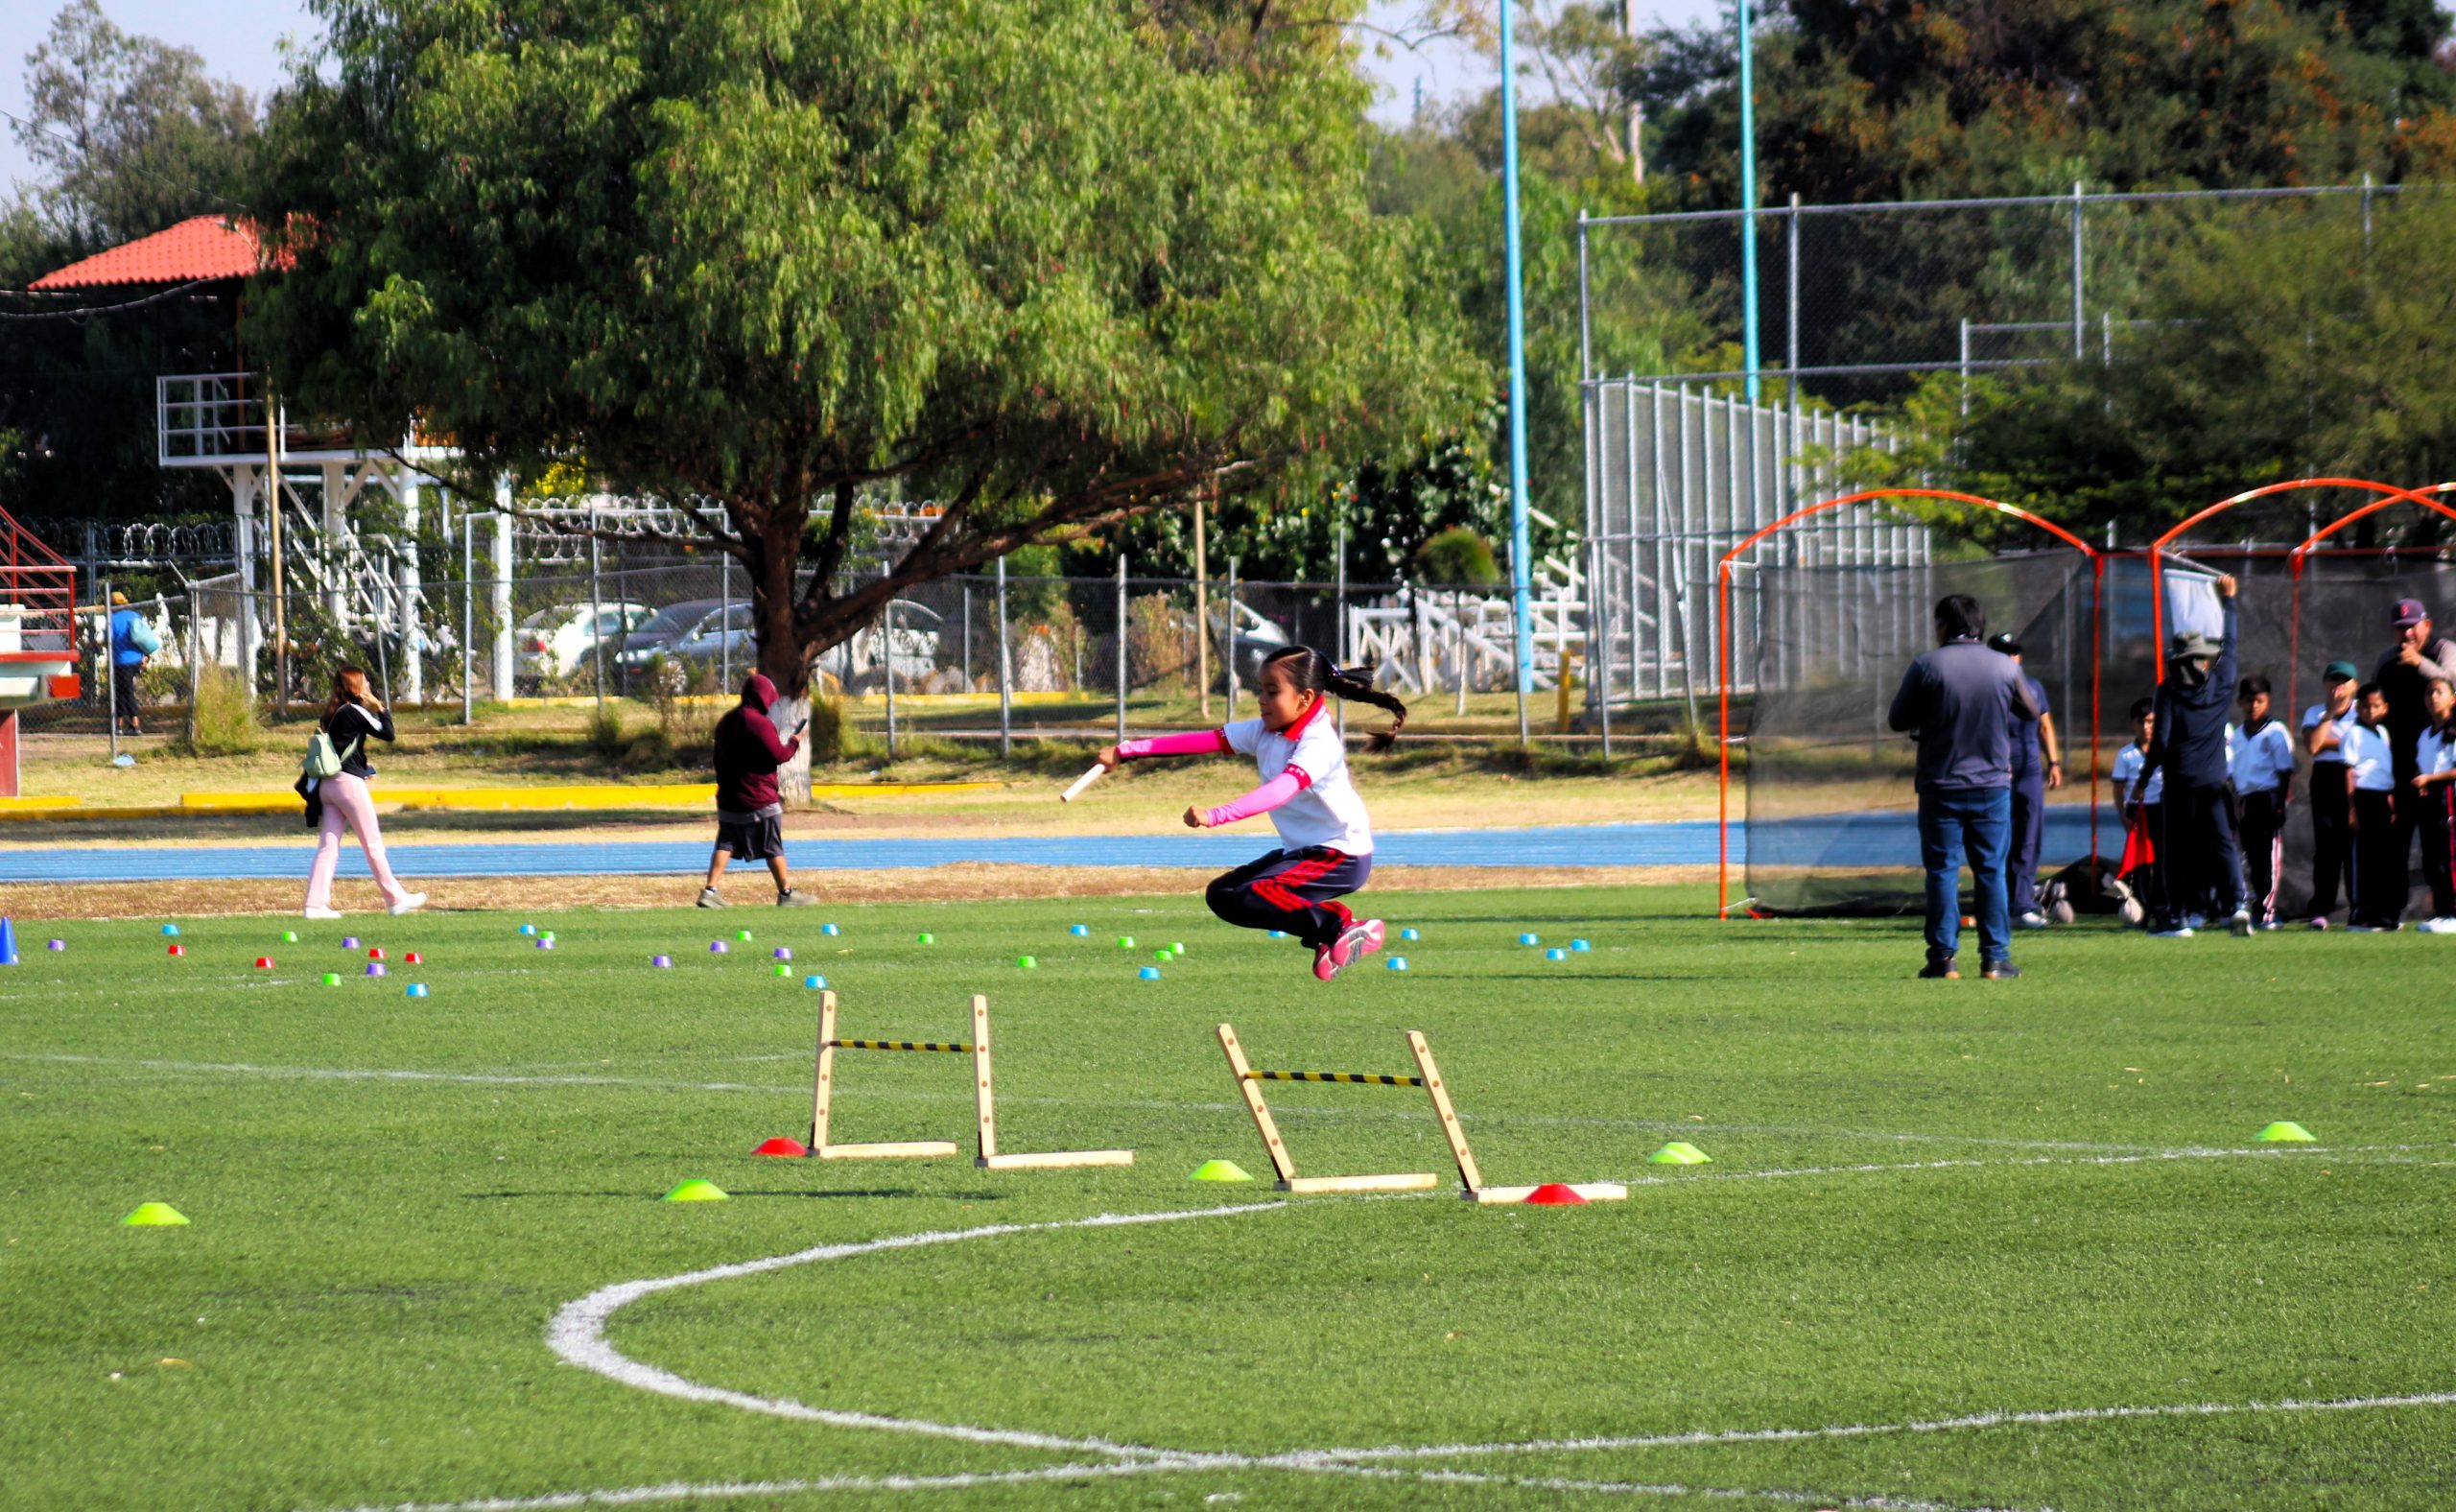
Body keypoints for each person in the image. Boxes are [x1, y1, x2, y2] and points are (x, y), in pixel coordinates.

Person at [1096, 646, 1405, 981]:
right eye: (1261, 690)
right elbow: (1204, 741)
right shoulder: (1266, 730)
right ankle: (1330, 931)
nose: (1261, 699)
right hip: (1303, 852)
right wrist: (1126, 751)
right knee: (1223, 895)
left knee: (1253, 895)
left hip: (1340, 855)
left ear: (1305, 698)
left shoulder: (1318, 743)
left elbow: (1279, 791)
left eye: (1273, 692)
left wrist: (1216, 815)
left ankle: (1340, 926)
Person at [1885, 595, 2039, 980]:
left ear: (1943, 625)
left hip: (1941, 784)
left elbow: (1897, 718)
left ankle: (1943, 959)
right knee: (1990, 870)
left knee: (1941, 871)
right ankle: (1995, 958)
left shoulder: (1927, 664)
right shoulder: (2003, 665)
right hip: (1991, 785)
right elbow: (2031, 710)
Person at [2137, 575, 2248, 937]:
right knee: (2221, 843)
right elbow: (2230, 643)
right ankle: (2237, 905)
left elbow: (2161, 742)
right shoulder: (2222, 682)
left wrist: (2141, 781)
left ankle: (2178, 916)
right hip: (2215, 780)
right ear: (2202, 660)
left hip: (2180, 782)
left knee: (2176, 850)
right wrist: (2229, 600)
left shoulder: (2166, 691)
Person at [298, 665, 426, 920]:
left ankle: (314, 904)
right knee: (373, 844)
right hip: (348, 786)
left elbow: (345, 748)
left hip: (328, 786)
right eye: (364, 682)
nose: (368, 685)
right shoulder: (354, 711)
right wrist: (379, 707)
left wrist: (363, 767)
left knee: (328, 846)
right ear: (356, 687)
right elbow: (388, 733)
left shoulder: (332, 713)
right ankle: (395, 899)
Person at [699, 672, 816, 907]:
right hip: (759, 797)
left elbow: (717, 758)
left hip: (729, 797)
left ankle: (709, 891)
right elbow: (779, 755)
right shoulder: (761, 724)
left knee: (726, 842)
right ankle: (786, 893)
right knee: (772, 845)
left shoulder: (727, 721)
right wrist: (795, 740)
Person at [1986, 632, 2063, 928]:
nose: (2011, 658)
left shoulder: (2032, 686)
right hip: (1996, 772)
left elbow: (2045, 725)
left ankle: (2021, 905)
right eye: (2004, 652)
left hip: (2029, 770)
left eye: (2014, 652)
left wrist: (2053, 762)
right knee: (1999, 837)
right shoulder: (1987, 688)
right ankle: (2002, 903)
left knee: (2029, 836)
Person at [2230, 675, 2296, 931]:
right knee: (2253, 857)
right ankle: (2255, 906)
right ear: (2240, 702)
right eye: (2248, 701)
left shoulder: (2276, 731)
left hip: (2268, 798)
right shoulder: (2236, 736)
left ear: (2267, 702)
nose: (2253, 706)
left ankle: (2268, 910)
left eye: (2259, 701)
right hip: (2246, 800)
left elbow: (2285, 771)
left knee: (2269, 856)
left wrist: (2280, 804)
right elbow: (2234, 773)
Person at [2300, 660, 2360, 928]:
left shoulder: (2363, 710)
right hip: (2325, 780)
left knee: (2355, 846)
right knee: (2327, 848)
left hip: (2356, 779)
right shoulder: (2315, 712)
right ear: (2325, 683)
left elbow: (2365, 745)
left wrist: (2333, 743)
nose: (2338, 686)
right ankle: (2321, 910)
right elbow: (2313, 746)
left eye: (2344, 681)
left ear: (2354, 685)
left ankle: (2359, 908)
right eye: (2334, 680)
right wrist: (2330, 715)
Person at [2342, 682, 2402, 931]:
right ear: (2358, 708)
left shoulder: (2384, 733)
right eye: (2365, 706)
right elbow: (2348, 772)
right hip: (2363, 798)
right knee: (2364, 858)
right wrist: (2351, 807)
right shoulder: (2352, 733)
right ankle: (2360, 914)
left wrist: (2390, 800)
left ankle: (2381, 914)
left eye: (2376, 706)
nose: (2370, 711)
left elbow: (2385, 771)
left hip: (2382, 799)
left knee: (2382, 860)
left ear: (2385, 708)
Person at [2406, 675, 2456, 933]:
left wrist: (2431, 779)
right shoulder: (2426, 733)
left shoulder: (2454, 729)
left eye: (2438, 692)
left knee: (2450, 857)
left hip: (2449, 797)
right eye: (2429, 693)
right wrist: (2422, 781)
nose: (2433, 697)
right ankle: (2442, 912)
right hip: (2428, 799)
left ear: (2452, 698)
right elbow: (2422, 763)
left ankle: (2454, 913)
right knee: (2431, 858)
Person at [2111, 697, 2165, 925]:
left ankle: (2163, 907)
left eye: (2151, 722)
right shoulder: (2126, 755)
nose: (2146, 727)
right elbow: (2118, 790)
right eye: (2142, 722)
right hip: (2140, 815)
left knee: (2163, 861)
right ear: (2134, 723)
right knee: (2141, 864)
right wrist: (2125, 818)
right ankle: (2141, 909)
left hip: (2162, 811)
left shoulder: (2165, 750)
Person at [107, 591, 160, 737]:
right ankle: (122, 725)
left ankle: (133, 725)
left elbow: (109, 639)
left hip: (121, 661)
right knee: (124, 691)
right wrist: (145, 656)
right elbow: (143, 637)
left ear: (112, 605)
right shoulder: (135, 616)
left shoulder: (112, 619)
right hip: (136, 659)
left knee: (124, 692)